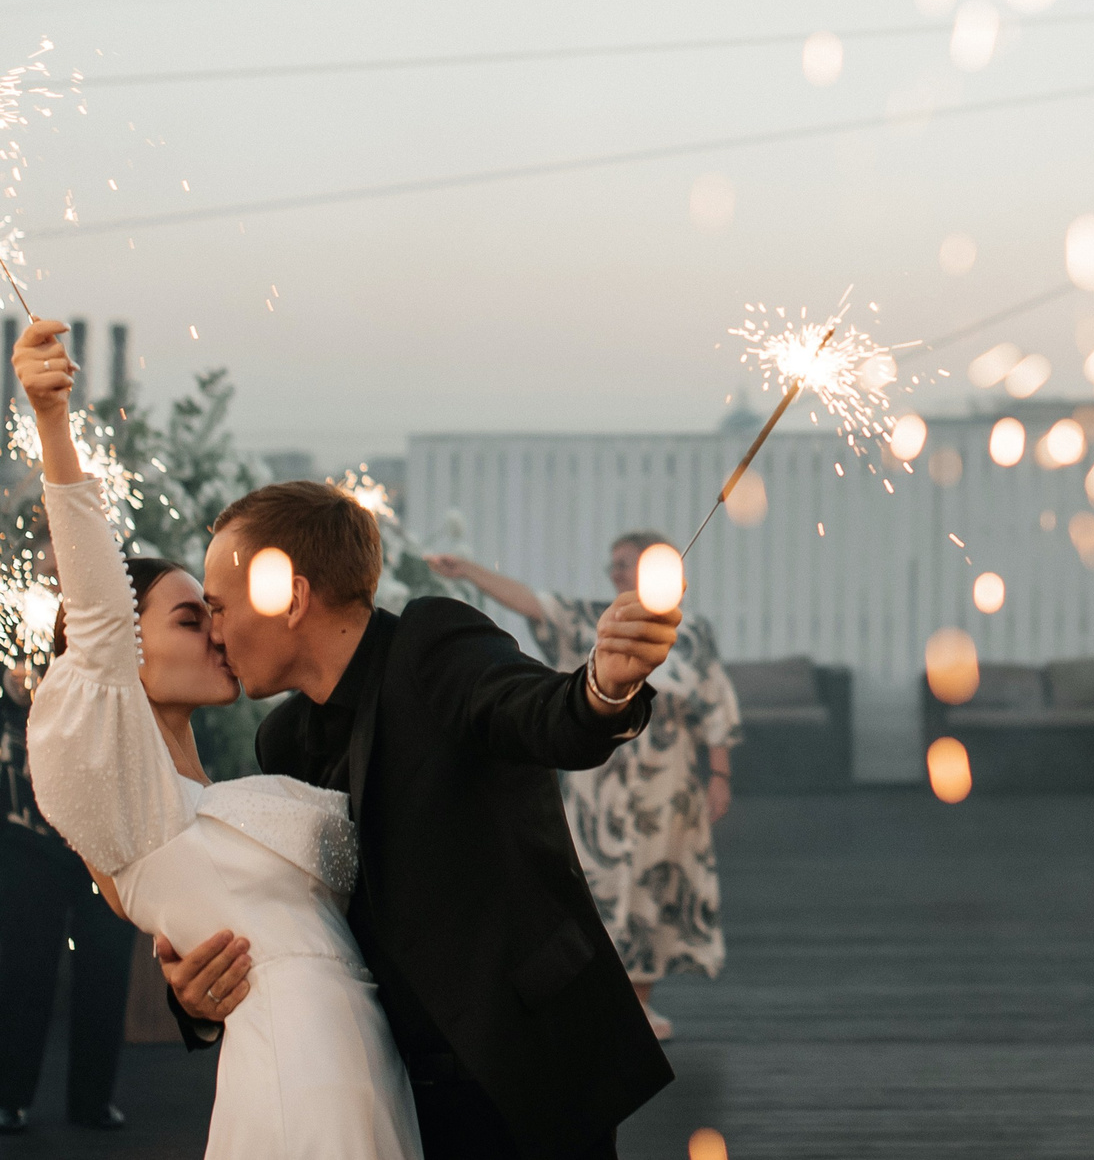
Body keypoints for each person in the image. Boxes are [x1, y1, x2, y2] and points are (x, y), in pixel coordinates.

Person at [78, 337, 684, 1153]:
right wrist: (196, 1000)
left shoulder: (431, 643)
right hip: (391, 1086)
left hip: (527, 1066)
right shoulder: (282, 738)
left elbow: (541, 713)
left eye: (219, 606)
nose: (215, 631)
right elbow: (294, 921)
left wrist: (604, 687)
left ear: (290, 596)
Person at [13, 320, 421, 1159]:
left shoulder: (224, 779)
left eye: (215, 612)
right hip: (296, 1060)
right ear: (121, 647)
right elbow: (96, 602)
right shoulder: (129, 800)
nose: (219, 630)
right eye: (190, 618)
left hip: (364, 1050)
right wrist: (53, 421)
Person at [426, 540, 743, 1040]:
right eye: (611, 564)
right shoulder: (593, 621)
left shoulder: (694, 633)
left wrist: (719, 776)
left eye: (626, 563)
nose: (615, 572)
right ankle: (597, 1003)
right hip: (599, 789)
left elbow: (714, 705)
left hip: (667, 792)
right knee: (592, 890)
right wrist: (467, 570)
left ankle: (640, 1004)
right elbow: (531, 602)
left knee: (653, 890)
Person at [0, 525, 136, 1137]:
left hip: (104, 827)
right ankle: (10, 1097)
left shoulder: (121, 626)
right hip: (27, 825)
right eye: (49, 551)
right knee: (25, 962)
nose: (56, 562)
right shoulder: (13, 613)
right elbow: (2, 692)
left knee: (106, 964)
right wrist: (16, 688)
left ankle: (93, 1099)